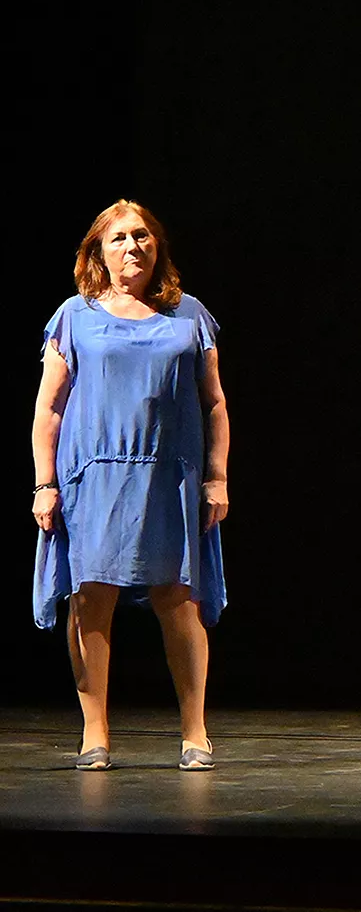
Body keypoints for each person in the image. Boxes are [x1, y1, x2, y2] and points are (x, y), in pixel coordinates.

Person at [31, 200, 230, 772]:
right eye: (118, 239)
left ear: (157, 246)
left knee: (179, 600)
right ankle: (95, 733)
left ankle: (195, 733)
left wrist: (217, 478)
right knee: (91, 599)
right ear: (98, 251)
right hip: (95, 475)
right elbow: (48, 408)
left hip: (169, 475)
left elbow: (214, 403)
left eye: (141, 236)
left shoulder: (189, 315)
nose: (131, 247)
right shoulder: (76, 315)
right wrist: (45, 484)